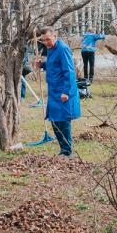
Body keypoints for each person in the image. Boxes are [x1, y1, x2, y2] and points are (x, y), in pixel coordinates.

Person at [39, 26, 80, 157]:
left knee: (63, 121)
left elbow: (69, 70)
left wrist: (66, 92)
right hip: (53, 91)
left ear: (55, 36)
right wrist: (42, 65)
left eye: (48, 39)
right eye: (43, 40)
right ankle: (63, 149)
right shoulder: (50, 49)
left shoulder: (62, 48)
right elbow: (54, 65)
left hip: (63, 91)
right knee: (54, 120)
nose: (46, 43)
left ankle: (68, 152)